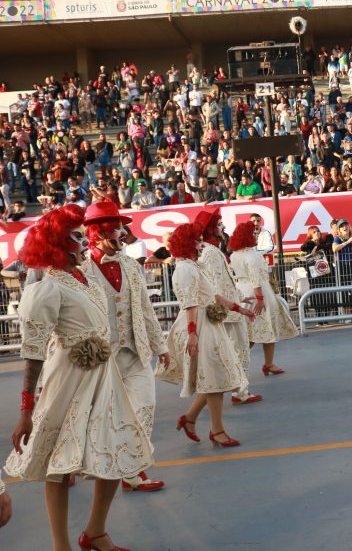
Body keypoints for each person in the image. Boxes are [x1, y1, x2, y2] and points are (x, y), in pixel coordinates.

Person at [6, 205, 153, 551]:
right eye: (74, 235)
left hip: (105, 377)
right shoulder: (46, 287)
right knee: (59, 465)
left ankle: (95, 531)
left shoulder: (83, 276)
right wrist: (26, 410)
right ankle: (62, 546)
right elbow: (33, 353)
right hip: (68, 380)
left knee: (119, 451)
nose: (81, 240)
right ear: (57, 242)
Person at [81, 202, 169, 493]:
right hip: (101, 360)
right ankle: (97, 466)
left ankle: (132, 469)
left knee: (144, 407)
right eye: (116, 229)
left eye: (121, 227)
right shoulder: (80, 271)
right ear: (98, 233)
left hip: (136, 352)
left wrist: (161, 346)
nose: (122, 234)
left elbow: (145, 309)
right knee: (102, 417)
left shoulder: (131, 265)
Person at [156, 224, 255, 448]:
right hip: (200, 325)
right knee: (215, 377)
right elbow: (190, 304)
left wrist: (239, 308)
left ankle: (190, 419)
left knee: (213, 377)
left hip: (207, 324)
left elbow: (214, 295)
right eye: (195, 241)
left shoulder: (193, 266)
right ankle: (216, 430)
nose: (200, 244)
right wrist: (193, 334)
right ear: (186, 243)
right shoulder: (186, 269)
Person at [196, 209, 262, 405]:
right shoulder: (211, 252)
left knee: (232, 351)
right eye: (219, 224)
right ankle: (240, 392)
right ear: (210, 229)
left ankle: (236, 390)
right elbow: (217, 284)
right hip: (228, 313)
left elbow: (226, 282)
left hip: (227, 309)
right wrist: (235, 306)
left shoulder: (211, 250)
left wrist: (241, 297)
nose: (223, 227)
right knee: (239, 350)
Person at [228, 222, 298, 376]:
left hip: (242, 292)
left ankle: (238, 363)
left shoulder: (234, 255)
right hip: (259, 293)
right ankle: (267, 363)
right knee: (267, 328)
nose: (256, 235)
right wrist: (260, 298)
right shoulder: (253, 255)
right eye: (253, 233)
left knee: (247, 332)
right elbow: (256, 279)